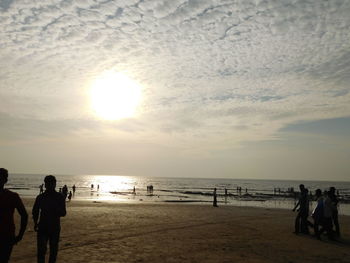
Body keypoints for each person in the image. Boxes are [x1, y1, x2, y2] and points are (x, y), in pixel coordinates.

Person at [32, 175, 66, 263]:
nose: (50, 185)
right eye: (48, 183)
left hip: (52, 227)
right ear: (46, 184)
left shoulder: (58, 197)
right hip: (45, 227)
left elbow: (63, 213)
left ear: (54, 184)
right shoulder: (42, 197)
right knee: (44, 251)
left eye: (51, 183)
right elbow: (35, 211)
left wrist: (54, 209)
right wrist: (35, 223)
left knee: (51, 251)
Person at [0, 168, 28, 263]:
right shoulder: (13, 196)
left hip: (7, 235)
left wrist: (20, 235)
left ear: (5, 180)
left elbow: (24, 215)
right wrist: (20, 235)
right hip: (8, 235)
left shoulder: (13, 196)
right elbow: (24, 215)